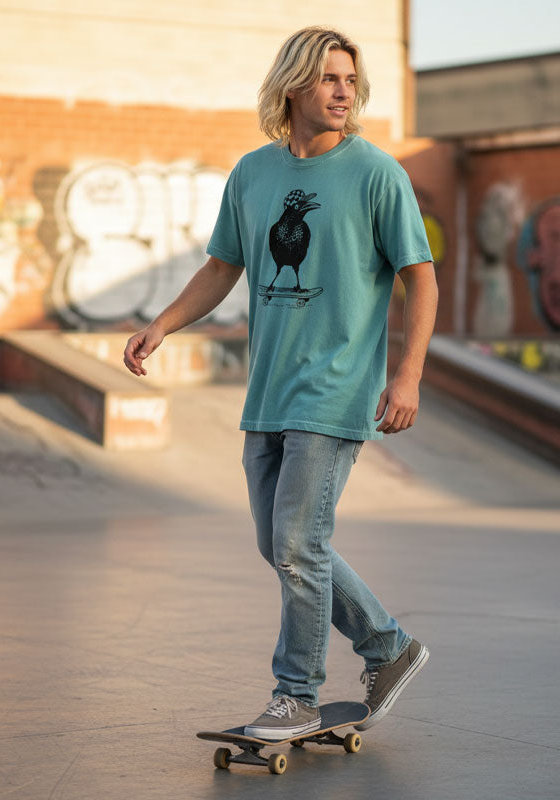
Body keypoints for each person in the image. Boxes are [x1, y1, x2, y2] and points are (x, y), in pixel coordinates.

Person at [124, 26, 438, 741]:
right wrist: (162, 324)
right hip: (268, 390)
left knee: (298, 543)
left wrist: (408, 375)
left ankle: (295, 695)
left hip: (336, 389)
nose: (343, 92)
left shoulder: (377, 174)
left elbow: (420, 279)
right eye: (329, 78)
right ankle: (388, 647)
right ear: (293, 85)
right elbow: (221, 266)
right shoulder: (253, 173)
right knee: (282, 543)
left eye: (350, 80)